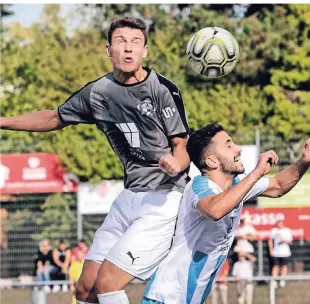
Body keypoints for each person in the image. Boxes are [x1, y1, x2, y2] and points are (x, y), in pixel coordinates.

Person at [0, 17, 190, 304]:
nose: (128, 49)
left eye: (135, 43)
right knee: (85, 289)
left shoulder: (162, 90)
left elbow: (182, 146)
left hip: (163, 201)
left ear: (145, 52)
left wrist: (177, 162)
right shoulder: (98, 93)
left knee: (108, 283)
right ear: (108, 49)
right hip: (129, 197)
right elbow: (54, 117)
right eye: (121, 42)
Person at [142, 123, 310, 303]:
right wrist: (256, 173)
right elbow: (215, 210)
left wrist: (304, 162)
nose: (238, 149)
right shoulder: (199, 185)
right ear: (212, 161)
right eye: (229, 145)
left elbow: (278, 186)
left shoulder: (238, 184)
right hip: (166, 298)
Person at [268, 219, 292, 288]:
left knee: (284, 266)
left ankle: (282, 280)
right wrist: (271, 250)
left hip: (285, 252)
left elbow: (290, 241)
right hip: (276, 252)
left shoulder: (287, 231)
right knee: (276, 266)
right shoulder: (274, 231)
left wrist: (284, 240)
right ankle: (274, 281)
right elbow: (270, 240)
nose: (279, 224)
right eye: (278, 223)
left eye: (281, 223)